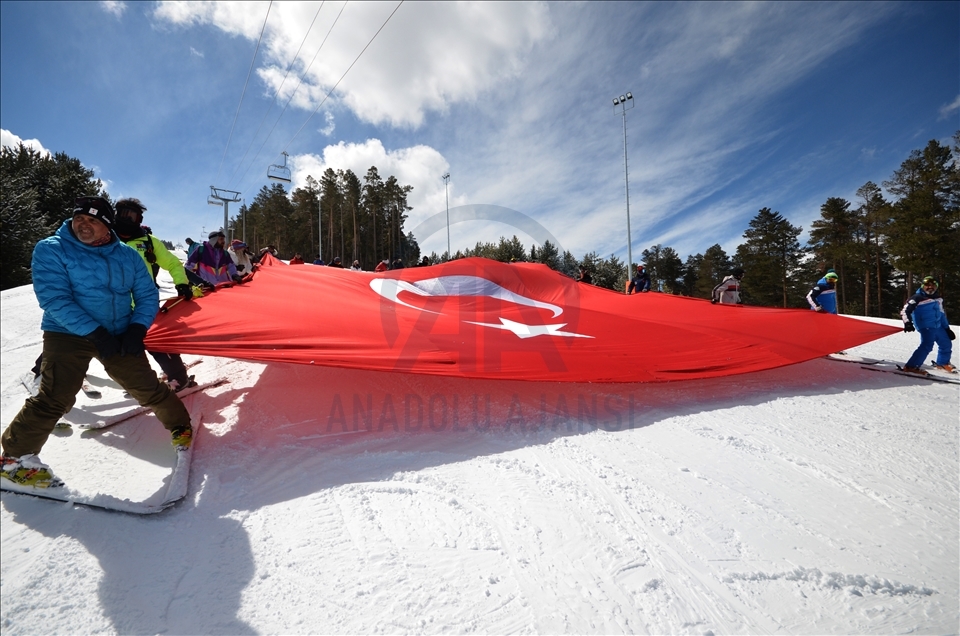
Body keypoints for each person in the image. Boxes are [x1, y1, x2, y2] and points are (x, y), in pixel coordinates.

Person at [1, 197, 193, 488]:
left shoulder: (127, 255)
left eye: (92, 220)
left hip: (119, 331)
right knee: (55, 396)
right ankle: (14, 459)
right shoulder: (52, 248)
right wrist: (96, 333)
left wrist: (138, 328)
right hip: (67, 332)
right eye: (80, 218)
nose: (84, 224)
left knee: (146, 387)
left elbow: (146, 293)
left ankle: (181, 426)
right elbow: (54, 298)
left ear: (106, 226)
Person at [114, 198, 196, 392]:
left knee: (158, 342)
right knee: (112, 346)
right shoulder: (104, 237)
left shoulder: (149, 242)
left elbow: (173, 263)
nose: (127, 218)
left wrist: (182, 283)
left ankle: (178, 378)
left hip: (144, 305)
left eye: (132, 215)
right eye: (122, 213)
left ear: (139, 218)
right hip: (111, 306)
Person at [901, 276, 955, 374]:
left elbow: (941, 314)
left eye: (933, 285)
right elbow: (905, 311)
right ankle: (911, 366)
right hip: (925, 326)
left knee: (946, 343)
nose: (930, 287)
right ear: (922, 286)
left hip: (938, 326)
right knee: (927, 345)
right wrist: (908, 323)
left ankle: (942, 363)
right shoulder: (917, 298)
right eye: (927, 285)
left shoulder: (938, 298)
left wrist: (947, 329)